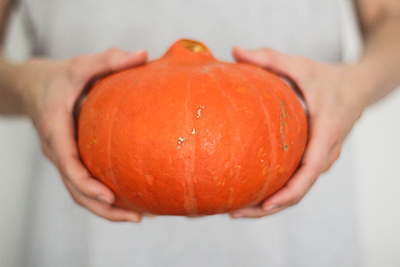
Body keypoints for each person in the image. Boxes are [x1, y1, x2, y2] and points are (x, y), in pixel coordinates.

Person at [1, 0, 399, 266]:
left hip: (300, 237)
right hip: (83, 238)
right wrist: (28, 86)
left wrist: (353, 87)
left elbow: (391, 18)